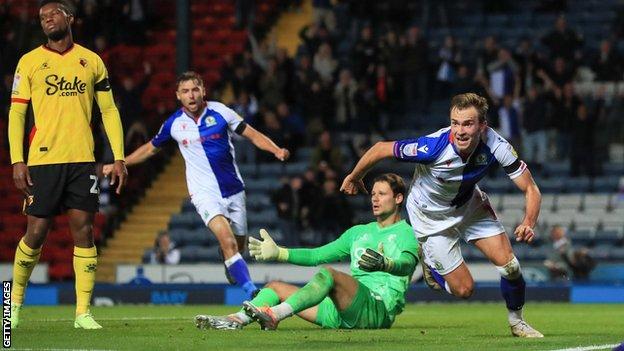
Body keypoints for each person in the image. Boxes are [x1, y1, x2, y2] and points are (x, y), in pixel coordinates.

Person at [340, 93, 544, 338]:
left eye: (467, 123)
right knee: (465, 290)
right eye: (455, 123)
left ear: (482, 126)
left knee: (511, 266)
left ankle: (517, 322)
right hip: (430, 219)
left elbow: (530, 188)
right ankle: (428, 259)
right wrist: (354, 177)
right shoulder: (433, 146)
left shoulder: (496, 145)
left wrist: (528, 222)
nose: (459, 131)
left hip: (469, 205)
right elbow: (381, 148)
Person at [104, 71, 289, 299]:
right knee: (229, 241)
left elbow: (252, 134)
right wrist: (121, 161)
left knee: (237, 246)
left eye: (194, 90)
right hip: (204, 194)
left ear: (203, 91)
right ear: (178, 96)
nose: (191, 95)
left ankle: (228, 258)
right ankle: (252, 291)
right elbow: (150, 148)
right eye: (185, 91)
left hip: (234, 190)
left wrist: (276, 150)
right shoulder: (174, 124)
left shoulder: (221, 112)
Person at [8, 0, 127, 330]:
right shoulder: (29, 62)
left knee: (85, 232)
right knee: (36, 232)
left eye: (52, 14)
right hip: (44, 159)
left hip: (82, 161)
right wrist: (17, 159)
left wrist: (118, 156)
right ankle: (12, 305)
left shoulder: (91, 61)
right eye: (42, 17)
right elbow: (17, 113)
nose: (46, 19)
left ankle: (83, 313)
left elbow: (109, 111)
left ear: (69, 18)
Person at [195, 173, 418, 331]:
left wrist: (386, 264)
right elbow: (316, 256)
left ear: (398, 198)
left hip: (376, 311)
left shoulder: (406, 233)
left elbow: (408, 264)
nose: (375, 199)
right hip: (340, 311)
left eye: (382, 194)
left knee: (330, 275)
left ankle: (275, 315)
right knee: (275, 287)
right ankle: (237, 320)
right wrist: (280, 253)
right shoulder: (358, 232)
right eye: (373, 194)